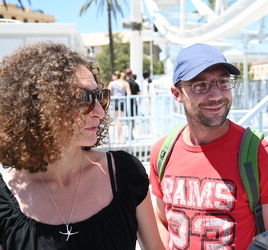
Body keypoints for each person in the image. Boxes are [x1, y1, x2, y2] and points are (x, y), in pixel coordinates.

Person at [0, 42, 163, 250]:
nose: (99, 112)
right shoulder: (5, 197)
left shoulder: (124, 173)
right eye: (84, 99)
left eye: (100, 97)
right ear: (40, 107)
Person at [149, 43, 268, 249]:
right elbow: (162, 220)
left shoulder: (262, 155)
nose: (216, 95)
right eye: (200, 85)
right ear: (177, 94)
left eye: (223, 82)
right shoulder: (162, 152)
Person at [107, 71, 131, 142]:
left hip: (116, 101)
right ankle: (119, 135)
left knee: (117, 120)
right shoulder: (125, 83)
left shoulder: (112, 83)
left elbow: (107, 92)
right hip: (123, 102)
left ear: (115, 76)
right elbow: (129, 93)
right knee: (119, 119)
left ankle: (120, 136)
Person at [125, 68, 140, 139]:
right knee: (133, 118)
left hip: (126, 103)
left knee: (127, 118)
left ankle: (129, 133)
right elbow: (139, 94)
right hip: (133, 103)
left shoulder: (124, 83)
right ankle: (131, 133)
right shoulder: (135, 83)